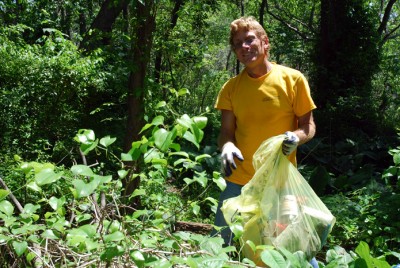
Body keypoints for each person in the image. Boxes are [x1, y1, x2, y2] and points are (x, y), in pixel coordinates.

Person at [212, 16, 318, 267]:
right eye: (238, 44)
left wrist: (296, 138)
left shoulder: (293, 79)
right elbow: (226, 131)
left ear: (265, 42)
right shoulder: (231, 88)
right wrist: (226, 145)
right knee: (220, 242)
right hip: (239, 181)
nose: (244, 47)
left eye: (249, 40)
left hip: (280, 183)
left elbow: (309, 126)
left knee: (296, 249)